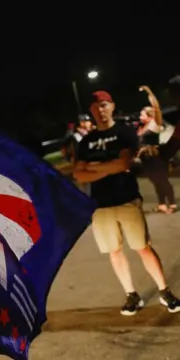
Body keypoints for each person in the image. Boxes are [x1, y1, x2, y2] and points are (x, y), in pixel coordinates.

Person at [73, 90, 180, 316]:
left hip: (126, 199)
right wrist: (108, 166)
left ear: (111, 106)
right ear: (91, 111)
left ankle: (164, 290)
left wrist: (94, 168)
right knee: (114, 251)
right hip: (99, 205)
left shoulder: (123, 131)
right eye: (95, 106)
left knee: (143, 247)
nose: (100, 110)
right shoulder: (86, 142)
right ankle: (131, 294)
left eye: (104, 105)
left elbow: (123, 164)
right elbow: (79, 175)